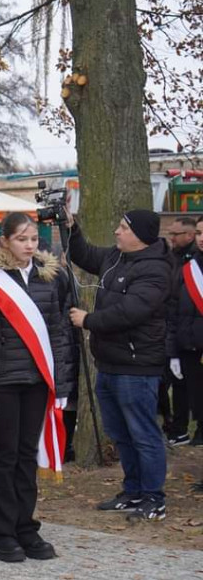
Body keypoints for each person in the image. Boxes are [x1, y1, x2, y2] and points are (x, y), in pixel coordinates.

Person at [0, 213, 74, 562]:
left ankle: (26, 527)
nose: (29, 246)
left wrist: (62, 383)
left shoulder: (47, 278)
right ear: (5, 240)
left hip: (37, 381)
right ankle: (1, 531)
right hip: (1, 382)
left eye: (34, 239)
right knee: (5, 457)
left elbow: (57, 334)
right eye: (22, 239)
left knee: (28, 457)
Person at [66, 209, 171, 522]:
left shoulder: (156, 269)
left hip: (137, 367)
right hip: (110, 363)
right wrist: (72, 229)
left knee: (143, 433)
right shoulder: (116, 257)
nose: (116, 231)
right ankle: (133, 490)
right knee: (121, 433)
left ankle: (154, 497)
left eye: (123, 227)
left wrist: (89, 320)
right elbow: (84, 254)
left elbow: (131, 311)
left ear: (139, 235)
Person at [160, 217, 199, 445]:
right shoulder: (171, 256)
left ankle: (181, 426)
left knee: (183, 383)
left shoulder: (193, 261)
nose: (171, 238)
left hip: (187, 331)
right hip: (172, 326)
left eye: (175, 234)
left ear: (189, 235)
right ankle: (173, 423)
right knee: (170, 380)